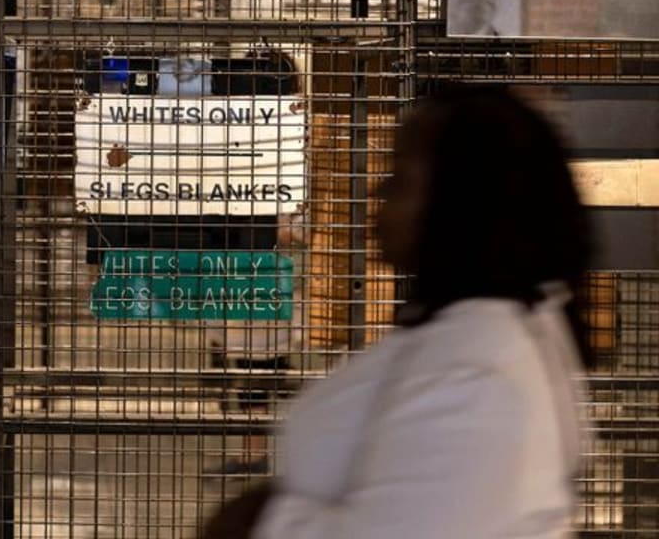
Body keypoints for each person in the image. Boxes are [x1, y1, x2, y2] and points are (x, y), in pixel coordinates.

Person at [249, 85, 591, 539]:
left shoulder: (479, 376)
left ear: (460, 200)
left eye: (403, 176)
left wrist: (260, 521)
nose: (382, 189)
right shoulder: (466, 333)